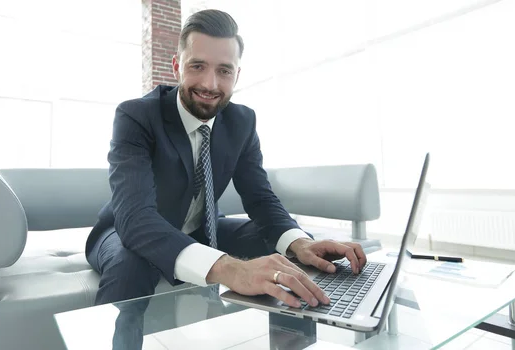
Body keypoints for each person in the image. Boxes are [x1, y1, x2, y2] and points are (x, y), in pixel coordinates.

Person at [85, 9, 367, 310]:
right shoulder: (136, 116)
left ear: (237, 74)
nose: (210, 84)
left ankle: (308, 324)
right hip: (125, 230)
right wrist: (231, 269)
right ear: (177, 66)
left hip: (203, 232)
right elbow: (136, 220)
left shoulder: (242, 122)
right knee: (132, 263)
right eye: (197, 66)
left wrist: (299, 242)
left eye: (224, 71)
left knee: (293, 246)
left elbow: (260, 198)